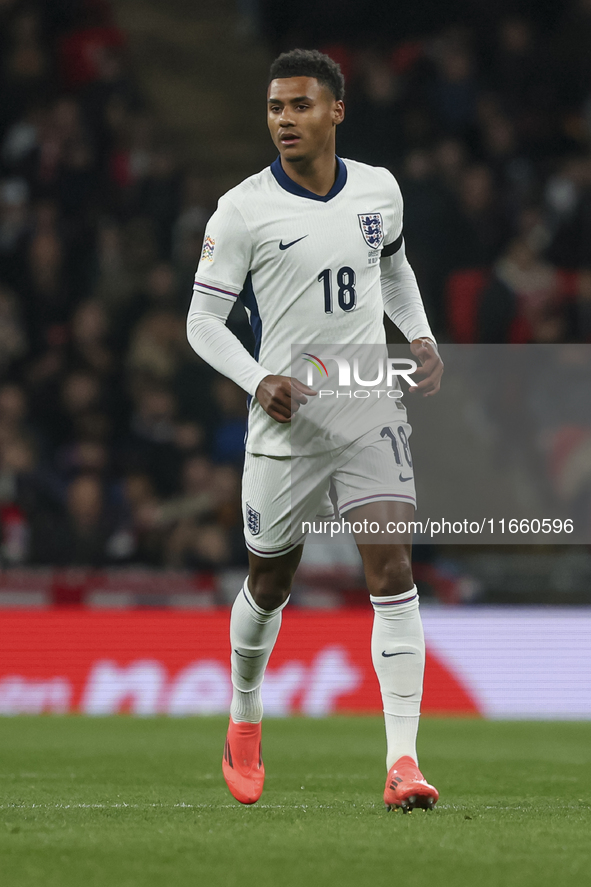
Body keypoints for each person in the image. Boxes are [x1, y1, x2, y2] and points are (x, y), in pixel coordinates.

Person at [186, 49, 444, 812]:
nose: (283, 120)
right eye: (273, 108)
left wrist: (419, 334)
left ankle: (403, 761)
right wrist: (257, 378)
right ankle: (243, 713)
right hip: (285, 420)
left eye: (299, 106)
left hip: (366, 404)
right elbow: (202, 320)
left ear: (336, 110)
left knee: (392, 567)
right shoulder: (241, 210)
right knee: (269, 582)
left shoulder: (378, 190)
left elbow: (390, 268)